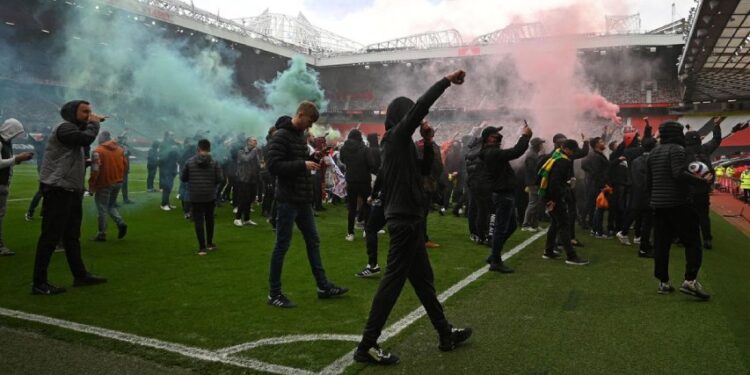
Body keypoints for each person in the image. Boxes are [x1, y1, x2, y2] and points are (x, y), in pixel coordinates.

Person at [354, 71, 471, 366]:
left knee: (423, 282)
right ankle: (366, 345)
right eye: (410, 115)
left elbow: (422, 171)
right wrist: (445, 81)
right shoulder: (395, 138)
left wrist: (429, 142)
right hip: (404, 220)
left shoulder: (400, 144)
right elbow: (420, 106)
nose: (417, 120)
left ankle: (445, 334)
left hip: (411, 219)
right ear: (402, 116)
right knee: (392, 282)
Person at [266, 102, 349, 308]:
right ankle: (273, 293)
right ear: (300, 114)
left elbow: (301, 160)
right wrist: (303, 164)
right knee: (282, 245)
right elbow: (274, 166)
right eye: (309, 122)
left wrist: (314, 156)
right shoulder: (281, 136)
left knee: (313, 241)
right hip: (287, 200)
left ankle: (323, 286)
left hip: (302, 199)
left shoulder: (299, 137)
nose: (310, 127)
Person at [32, 100, 108, 295]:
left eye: (90, 111)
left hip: (71, 190)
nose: (89, 114)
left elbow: (73, 151)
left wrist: (86, 162)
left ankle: (80, 276)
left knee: (72, 236)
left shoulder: (73, 130)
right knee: (50, 236)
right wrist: (94, 123)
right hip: (58, 189)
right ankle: (39, 283)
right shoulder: (65, 128)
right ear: (71, 112)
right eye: (85, 111)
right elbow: (85, 139)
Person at [648, 121, 711, 300]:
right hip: (678, 204)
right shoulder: (676, 149)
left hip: (658, 205)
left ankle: (663, 283)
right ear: (677, 134)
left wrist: (653, 200)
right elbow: (677, 174)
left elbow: (649, 182)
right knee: (693, 242)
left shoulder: (654, 152)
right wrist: (701, 181)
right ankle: (690, 281)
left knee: (662, 245)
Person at [480, 124, 532, 273]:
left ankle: (494, 254)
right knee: (501, 228)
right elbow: (516, 152)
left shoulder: (489, 151)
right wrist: (525, 136)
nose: (498, 136)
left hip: (504, 192)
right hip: (502, 193)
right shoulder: (491, 152)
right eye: (495, 134)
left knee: (511, 226)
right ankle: (496, 261)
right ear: (488, 138)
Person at [539, 139, 589, 265]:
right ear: (567, 149)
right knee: (564, 225)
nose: (573, 154)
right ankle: (571, 256)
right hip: (554, 198)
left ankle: (548, 251)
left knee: (555, 224)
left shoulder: (555, 155)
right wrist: (554, 200)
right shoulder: (563, 161)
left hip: (548, 196)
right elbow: (555, 184)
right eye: (572, 151)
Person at [684, 117, 723, 249]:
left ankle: (685, 238)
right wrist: (716, 126)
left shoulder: (682, 151)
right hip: (703, 190)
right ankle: (707, 239)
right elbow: (716, 140)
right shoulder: (704, 149)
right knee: (703, 216)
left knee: (687, 215)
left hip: (688, 190)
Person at [181, 139, 223, 255]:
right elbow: (220, 179)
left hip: (195, 195)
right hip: (210, 194)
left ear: (198, 149)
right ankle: (210, 243)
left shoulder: (189, 162)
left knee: (198, 221)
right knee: (210, 219)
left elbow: (183, 178)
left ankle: (202, 248)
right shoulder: (215, 162)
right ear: (209, 149)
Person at [1, 119, 33, 256]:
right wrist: (16, 158)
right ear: (11, 130)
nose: (16, 136)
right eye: (16, 132)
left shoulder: (6, 143)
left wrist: (17, 160)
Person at [88, 131, 128, 242]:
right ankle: (120, 222)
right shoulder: (120, 149)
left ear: (102, 138)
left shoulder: (97, 151)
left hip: (104, 183)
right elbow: (125, 165)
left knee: (102, 208)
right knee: (110, 206)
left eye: (99, 136)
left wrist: (91, 186)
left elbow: (95, 170)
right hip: (118, 181)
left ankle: (102, 234)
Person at [340, 129, 372, 241]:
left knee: (352, 207)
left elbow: (342, 160)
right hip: (364, 181)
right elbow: (371, 164)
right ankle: (366, 231)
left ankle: (350, 233)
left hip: (351, 180)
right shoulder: (365, 149)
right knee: (367, 206)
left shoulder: (344, 148)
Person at [629, 138, 656, 257]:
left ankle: (645, 246)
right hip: (649, 196)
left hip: (638, 196)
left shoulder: (636, 161)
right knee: (648, 224)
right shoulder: (652, 160)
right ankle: (644, 248)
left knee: (644, 223)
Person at [581, 137, 610, 231]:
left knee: (591, 204)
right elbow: (596, 172)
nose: (603, 143)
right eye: (601, 142)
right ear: (596, 145)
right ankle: (588, 223)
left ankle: (588, 223)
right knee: (592, 204)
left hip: (594, 183)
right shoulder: (595, 156)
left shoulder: (596, 154)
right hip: (595, 184)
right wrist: (602, 185)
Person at [234, 137, 261, 226]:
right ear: (248, 142)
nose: (256, 142)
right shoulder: (241, 151)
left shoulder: (255, 152)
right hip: (243, 178)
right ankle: (237, 218)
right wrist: (254, 152)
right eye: (254, 140)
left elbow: (257, 164)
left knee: (250, 199)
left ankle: (246, 219)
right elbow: (246, 159)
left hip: (253, 178)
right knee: (243, 199)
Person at [25, 126, 50, 221]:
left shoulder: (40, 143)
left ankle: (41, 212)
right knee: (43, 190)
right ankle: (31, 212)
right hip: (46, 168)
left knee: (45, 190)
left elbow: (30, 138)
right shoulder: (45, 143)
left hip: (45, 167)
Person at [521, 137, 546, 231]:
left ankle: (534, 224)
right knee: (533, 203)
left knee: (536, 203)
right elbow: (534, 169)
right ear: (536, 145)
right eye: (540, 144)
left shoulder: (534, 154)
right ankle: (526, 225)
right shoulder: (531, 155)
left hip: (534, 182)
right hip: (533, 182)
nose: (542, 146)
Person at [159, 131, 180, 211]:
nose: (173, 136)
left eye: (173, 135)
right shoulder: (163, 144)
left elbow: (177, 155)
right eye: (171, 135)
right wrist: (171, 149)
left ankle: (167, 203)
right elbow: (162, 156)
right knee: (167, 186)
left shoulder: (173, 144)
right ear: (167, 136)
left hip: (172, 167)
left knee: (170, 186)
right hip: (165, 168)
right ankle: (163, 204)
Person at [117, 133, 134, 204]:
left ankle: (126, 199)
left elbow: (129, 154)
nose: (125, 140)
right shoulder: (117, 146)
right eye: (124, 139)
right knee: (117, 185)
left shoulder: (125, 146)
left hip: (125, 168)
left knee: (124, 185)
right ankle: (113, 201)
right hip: (120, 168)